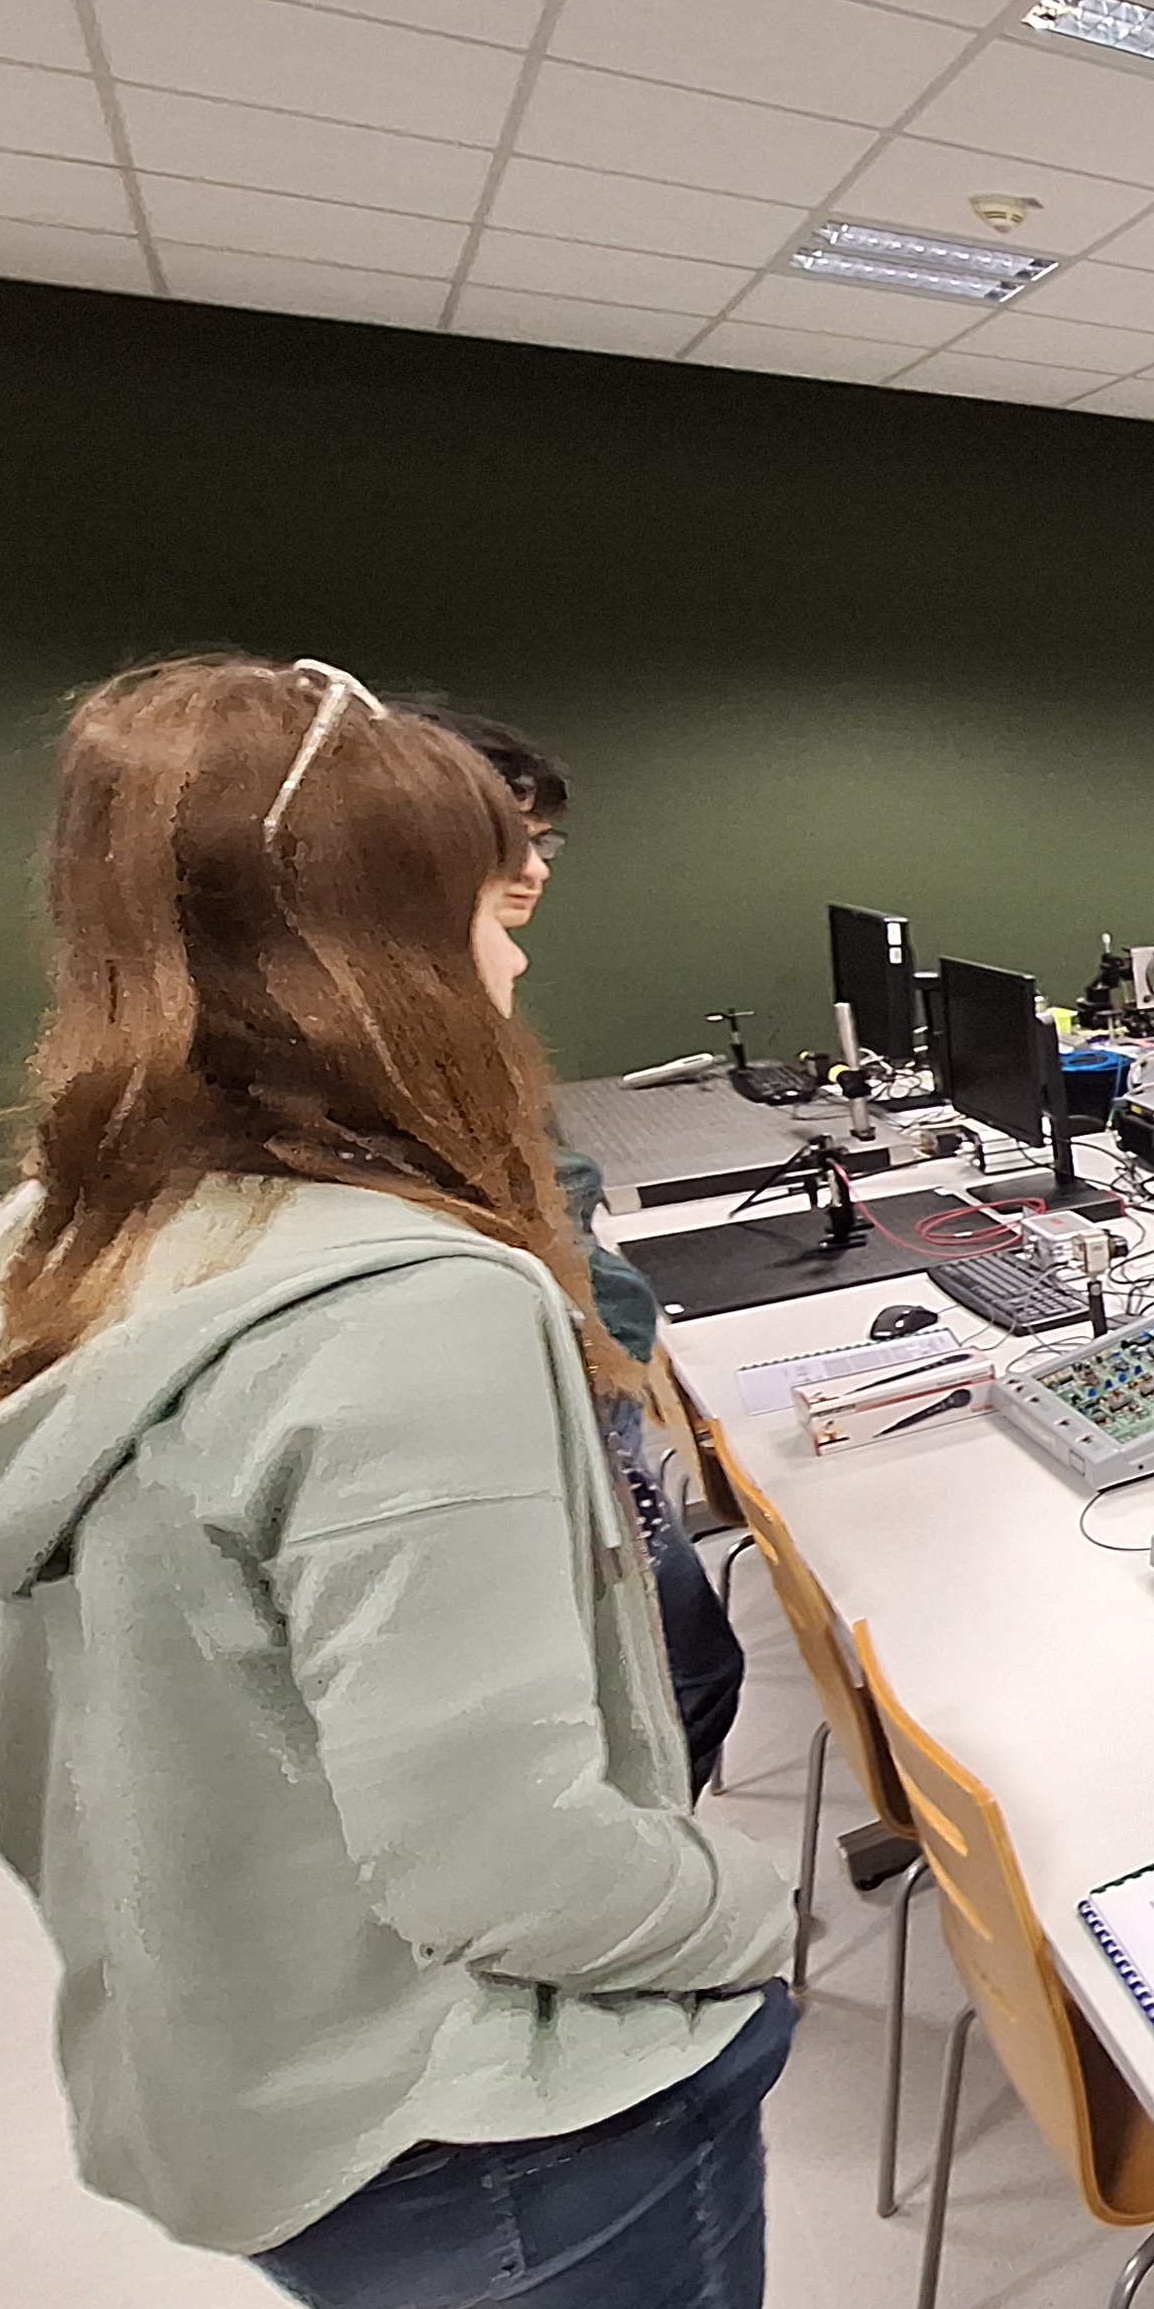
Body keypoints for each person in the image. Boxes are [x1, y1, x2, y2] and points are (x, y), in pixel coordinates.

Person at [0, 656, 808, 2309]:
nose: (514, 954)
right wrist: (753, 1911)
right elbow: (503, 1861)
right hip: (503, 2109)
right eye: (485, 906)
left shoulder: (34, 1256)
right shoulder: (406, 1310)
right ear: (371, 947)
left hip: (263, 2064)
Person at [408, 697, 745, 1795]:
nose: (534, 871)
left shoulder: (453, 1022)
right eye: (509, 842)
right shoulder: (409, 1053)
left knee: (686, 1676)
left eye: (541, 841)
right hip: (549, 1434)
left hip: (580, 1414)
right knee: (680, 1683)